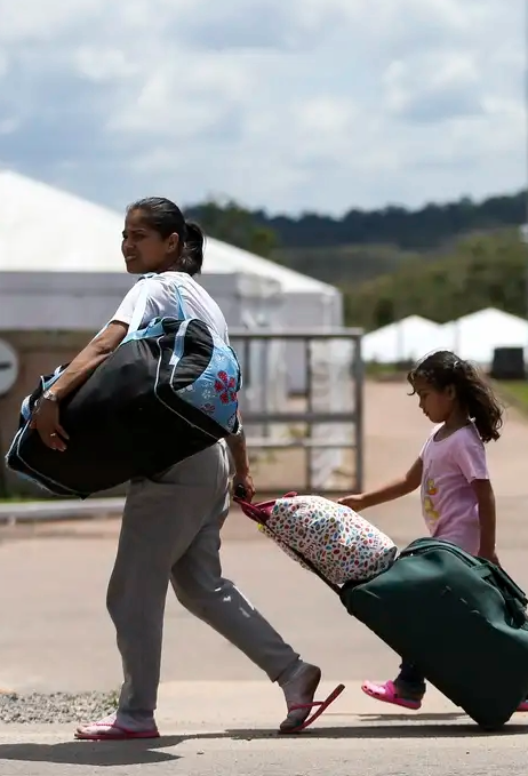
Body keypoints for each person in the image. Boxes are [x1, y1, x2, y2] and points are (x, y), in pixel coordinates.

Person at [30, 197, 339, 741]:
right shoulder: (206, 304)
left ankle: (135, 714)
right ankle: (292, 672)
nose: (128, 246)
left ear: (172, 244)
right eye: (124, 236)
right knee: (201, 587)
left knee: (131, 590)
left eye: (139, 237)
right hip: (208, 458)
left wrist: (52, 397)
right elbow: (222, 392)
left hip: (173, 464)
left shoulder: (154, 287)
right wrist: (239, 466)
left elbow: (107, 344)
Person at [338, 350, 528, 712]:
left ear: (449, 392)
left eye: (424, 395)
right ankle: (526, 687)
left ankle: (409, 684)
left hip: (461, 549)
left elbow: (486, 494)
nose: (421, 404)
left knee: (427, 612)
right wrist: (363, 500)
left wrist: (488, 550)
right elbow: (409, 480)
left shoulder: (465, 440)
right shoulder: (437, 436)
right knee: (462, 621)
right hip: (444, 545)